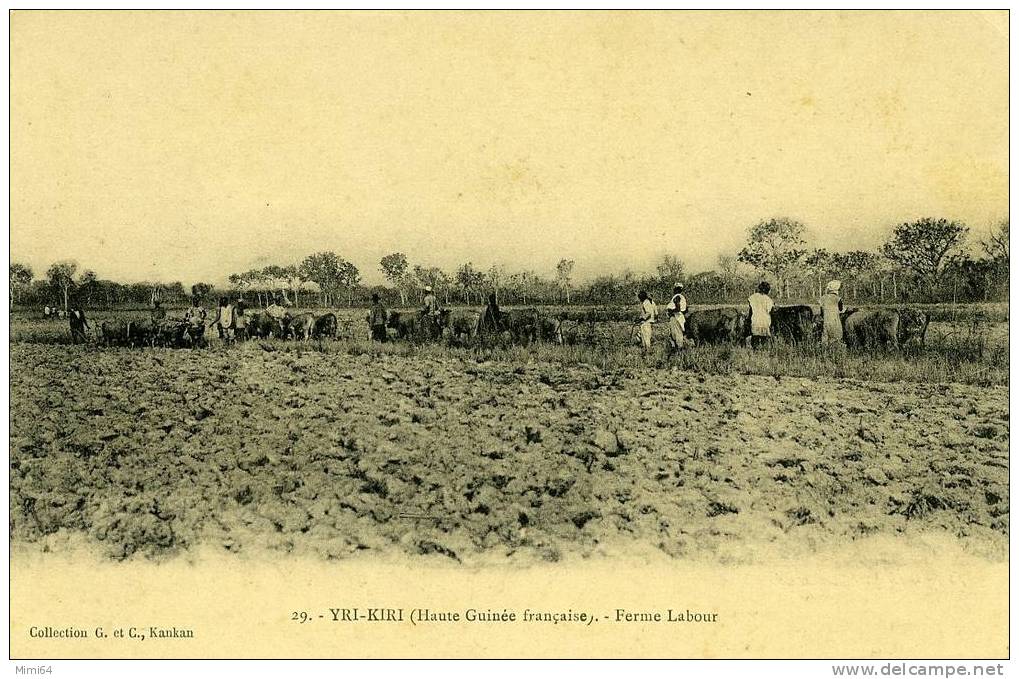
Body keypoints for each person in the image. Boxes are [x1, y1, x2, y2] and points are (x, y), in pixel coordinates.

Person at [747, 281, 775, 348]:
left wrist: (749, 320)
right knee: (764, 340)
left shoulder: (753, 297)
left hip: (755, 320)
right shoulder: (769, 300)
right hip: (765, 322)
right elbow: (771, 312)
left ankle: (755, 353)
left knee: (755, 338)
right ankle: (763, 354)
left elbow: (750, 311)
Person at [819, 280, 844, 348]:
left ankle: (825, 352)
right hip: (835, 321)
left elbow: (821, 311)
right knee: (836, 337)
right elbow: (841, 310)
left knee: (825, 337)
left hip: (826, 321)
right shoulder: (838, 298)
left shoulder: (823, 298)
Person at [665, 283, 688, 351]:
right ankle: (678, 347)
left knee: (677, 334)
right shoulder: (682, 297)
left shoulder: (677, 297)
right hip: (680, 317)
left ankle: (679, 348)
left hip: (676, 317)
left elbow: (678, 309)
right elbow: (685, 309)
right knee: (678, 333)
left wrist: (671, 311)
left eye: (675, 289)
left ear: (676, 289)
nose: (674, 290)